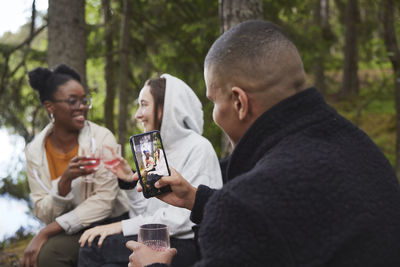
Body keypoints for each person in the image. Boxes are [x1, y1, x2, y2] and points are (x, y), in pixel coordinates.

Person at [126, 20, 400, 267]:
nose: (214, 113)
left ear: (239, 103)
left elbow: (260, 209)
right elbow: (295, 217)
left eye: (213, 102)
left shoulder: (245, 205)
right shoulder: (361, 147)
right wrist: (196, 199)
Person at [78, 74, 223, 267]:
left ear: (166, 108)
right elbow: (141, 211)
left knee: (93, 247)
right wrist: (129, 182)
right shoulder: (151, 149)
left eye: (144, 105)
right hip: (153, 236)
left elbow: (182, 220)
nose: (137, 114)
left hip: (185, 244)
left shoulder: (198, 148)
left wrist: (119, 227)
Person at [22, 64, 129, 267]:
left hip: (110, 221)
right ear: (50, 107)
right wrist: (65, 181)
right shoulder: (34, 152)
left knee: (56, 254)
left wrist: (45, 232)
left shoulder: (101, 137)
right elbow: (42, 210)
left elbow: (105, 201)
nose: (82, 106)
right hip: (67, 228)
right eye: (73, 101)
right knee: (43, 257)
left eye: (84, 100)